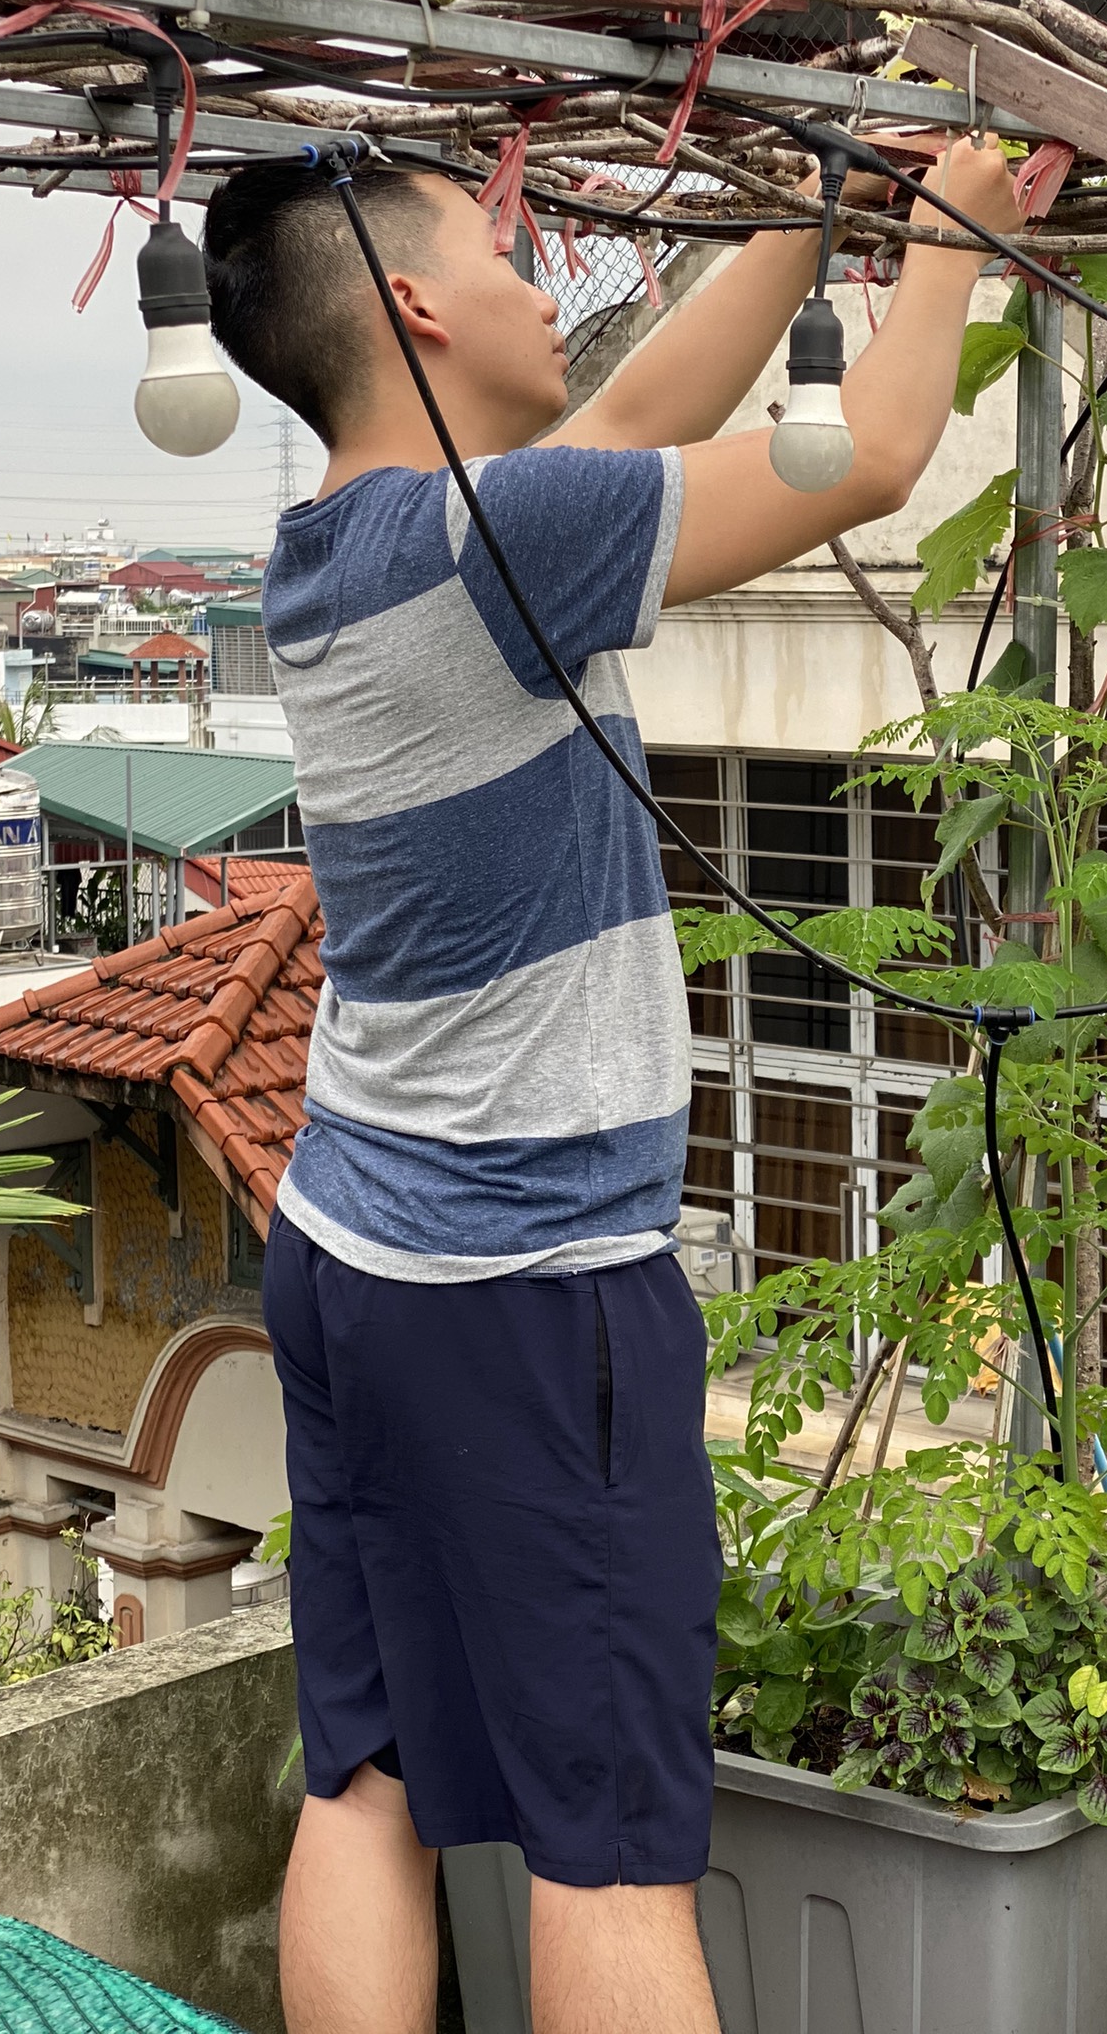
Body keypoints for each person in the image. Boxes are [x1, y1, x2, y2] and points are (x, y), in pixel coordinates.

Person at [203, 133, 1020, 2034]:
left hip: (349, 1249)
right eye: (501, 251)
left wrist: (814, 209)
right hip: (526, 1292)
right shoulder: (503, 543)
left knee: (375, 1770)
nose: (536, 281)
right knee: (610, 1838)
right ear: (416, 306)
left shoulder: (343, 546)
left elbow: (653, 402)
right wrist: (964, 219)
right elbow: (875, 454)